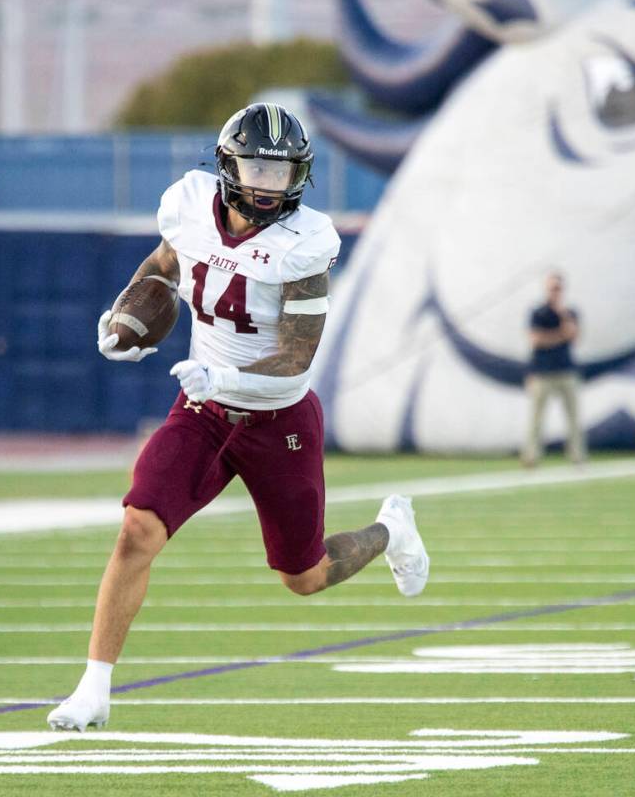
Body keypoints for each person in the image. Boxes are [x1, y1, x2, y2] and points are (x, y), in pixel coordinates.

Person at [47, 103, 430, 732]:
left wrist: (224, 376)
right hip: (201, 411)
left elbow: (299, 356)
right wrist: (126, 316)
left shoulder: (305, 243)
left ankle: (391, 530)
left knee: (303, 577)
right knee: (137, 528)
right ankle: (94, 688)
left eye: (280, 172)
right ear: (227, 166)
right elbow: (165, 266)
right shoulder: (190, 204)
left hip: (278, 420)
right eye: (255, 166)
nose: (266, 183)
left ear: (299, 176)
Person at [521, 272, 584, 466]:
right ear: (546, 289)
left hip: (566, 370)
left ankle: (577, 456)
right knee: (537, 418)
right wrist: (559, 336)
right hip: (542, 372)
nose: (554, 292)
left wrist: (561, 314)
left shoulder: (569, 312)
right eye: (551, 288)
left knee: (573, 418)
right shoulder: (537, 313)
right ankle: (531, 456)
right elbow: (536, 340)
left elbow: (573, 336)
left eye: (558, 288)